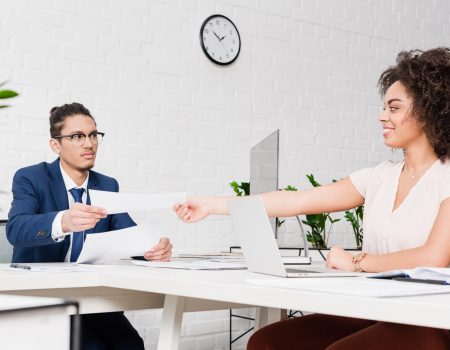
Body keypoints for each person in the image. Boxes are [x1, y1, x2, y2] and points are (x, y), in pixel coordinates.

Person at [174, 47, 450, 349]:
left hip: (429, 320)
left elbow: (433, 259)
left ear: (428, 111)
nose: (382, 116)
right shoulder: (378, 177)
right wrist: (210, 205)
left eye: (394, 108)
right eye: (384, 107)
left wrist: (356, 261)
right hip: (375, 309)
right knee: (268, 342)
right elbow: (298, 201)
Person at [7, 102, 173, 350]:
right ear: (56, 145)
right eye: (77, 136)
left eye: (93, 135)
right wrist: (63, 221)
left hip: (91, 296)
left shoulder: (107, 184)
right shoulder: (31, 177)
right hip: (45, 297)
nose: (89, 143)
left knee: (132, 345)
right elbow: (16, 229)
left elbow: (127, 231)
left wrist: (153, 247)